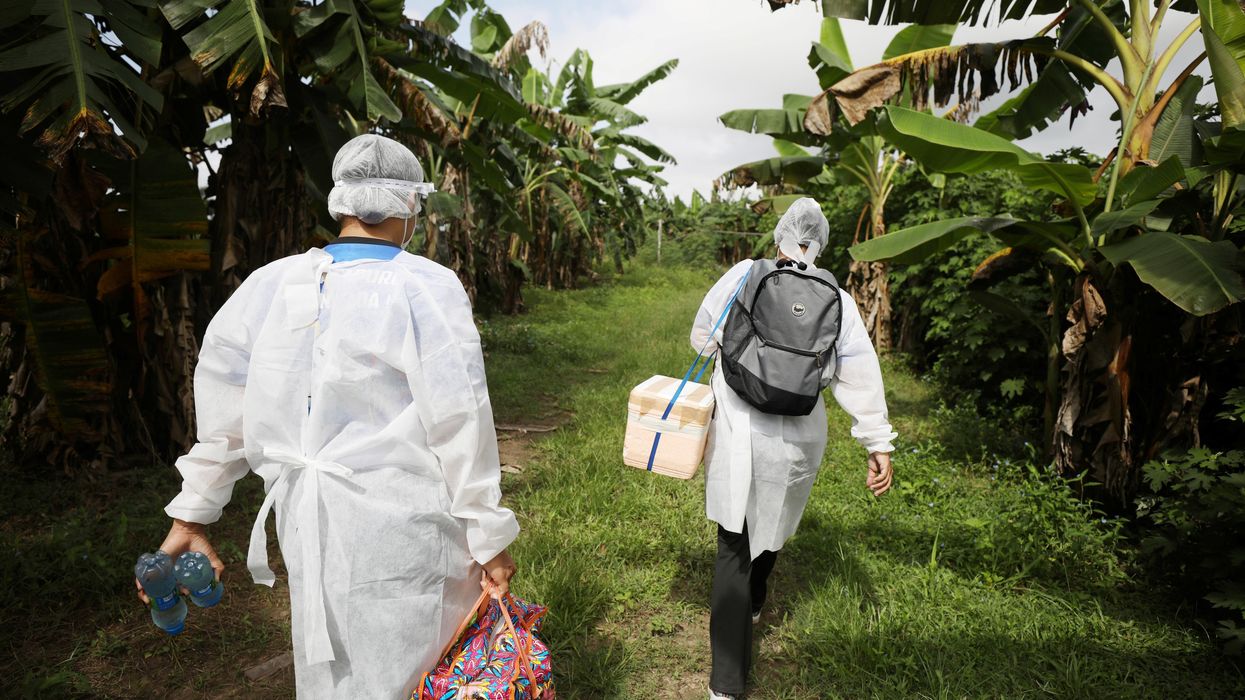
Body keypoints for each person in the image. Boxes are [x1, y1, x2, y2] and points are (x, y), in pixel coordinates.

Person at [135, 134, 519, 698]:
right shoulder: (425, 285)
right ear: (408, 205)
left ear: (340, 203)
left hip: (306, 519)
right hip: (408, 524)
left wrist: (191, 517)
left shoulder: (268, 284)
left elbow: (228, 411)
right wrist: (489, 537)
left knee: (333, 672)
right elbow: (459, 416)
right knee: (420, 671)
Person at [691, 198, 896, 700]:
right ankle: (756, 600)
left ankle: (726, 685)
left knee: (733, 537)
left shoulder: (745, 274)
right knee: (775, 521)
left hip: (740, 425)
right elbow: (860, 374)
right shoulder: (838, 298)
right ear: (819, 245)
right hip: (801, 433)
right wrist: (877, 441)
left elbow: (702, 337)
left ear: (779, 237)